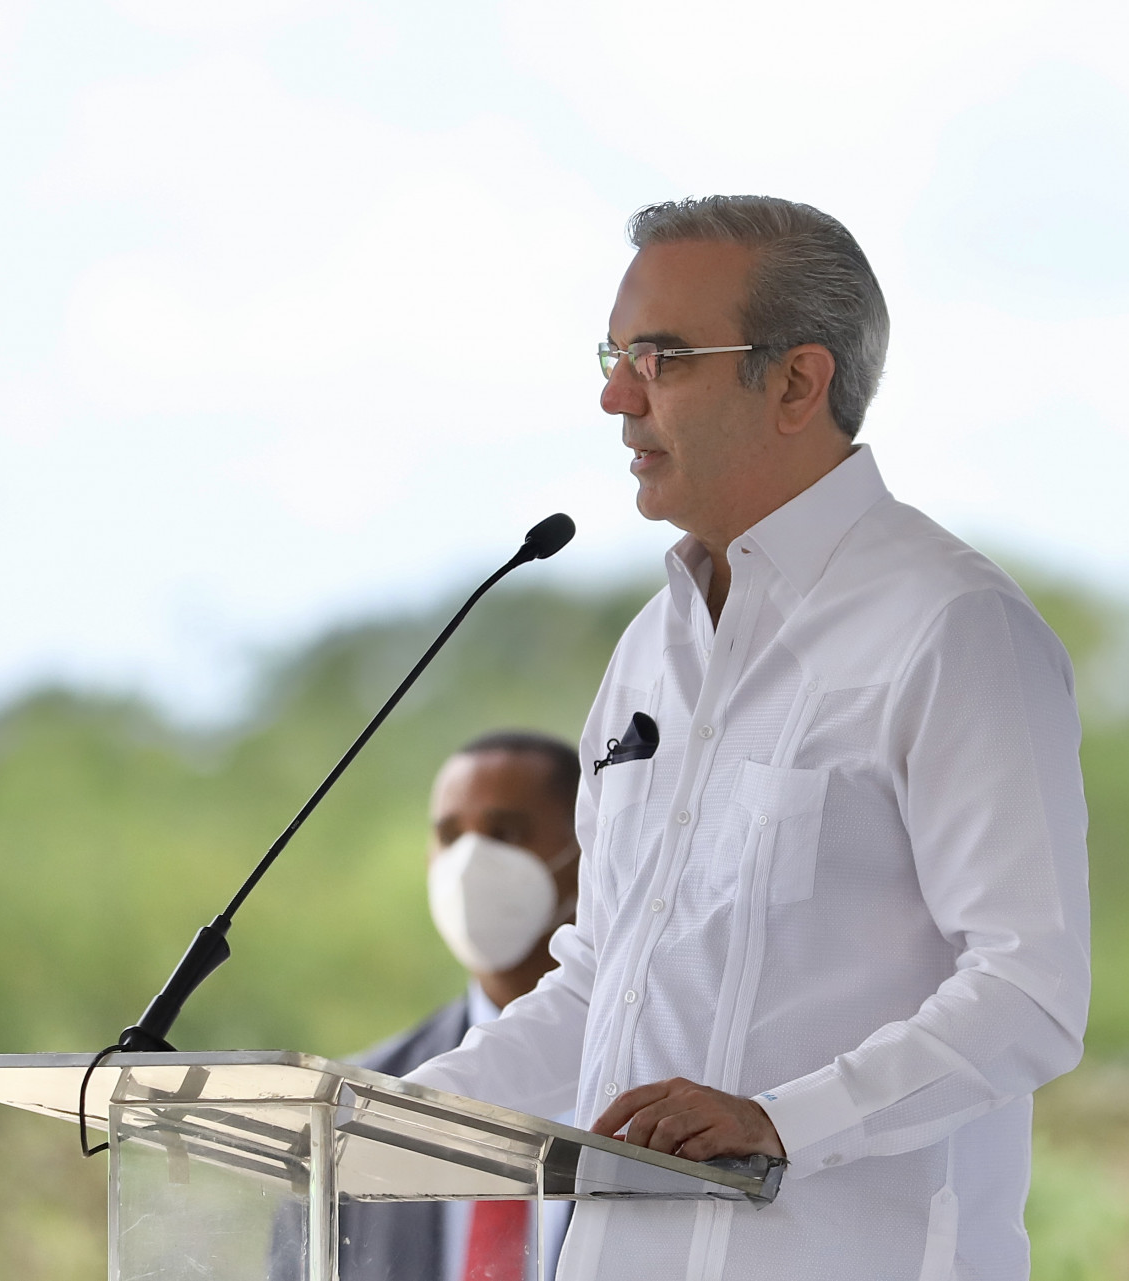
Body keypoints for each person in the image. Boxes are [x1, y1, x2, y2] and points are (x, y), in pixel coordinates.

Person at [407, 196, 1092, 1281]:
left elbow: (1029, 992)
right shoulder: (651, 647)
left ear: (797, 383)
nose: (615, 395)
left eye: (662, 358)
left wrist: (780, 1122)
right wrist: (381, 1118)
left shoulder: (953, 626)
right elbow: (600, 985)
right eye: (614, 356)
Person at [339, 730, 579, 1281]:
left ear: (590, 848)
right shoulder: (356, 1108)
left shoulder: (665, 1093)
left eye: (506, 833)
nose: (469, 863)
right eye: (450, 836)